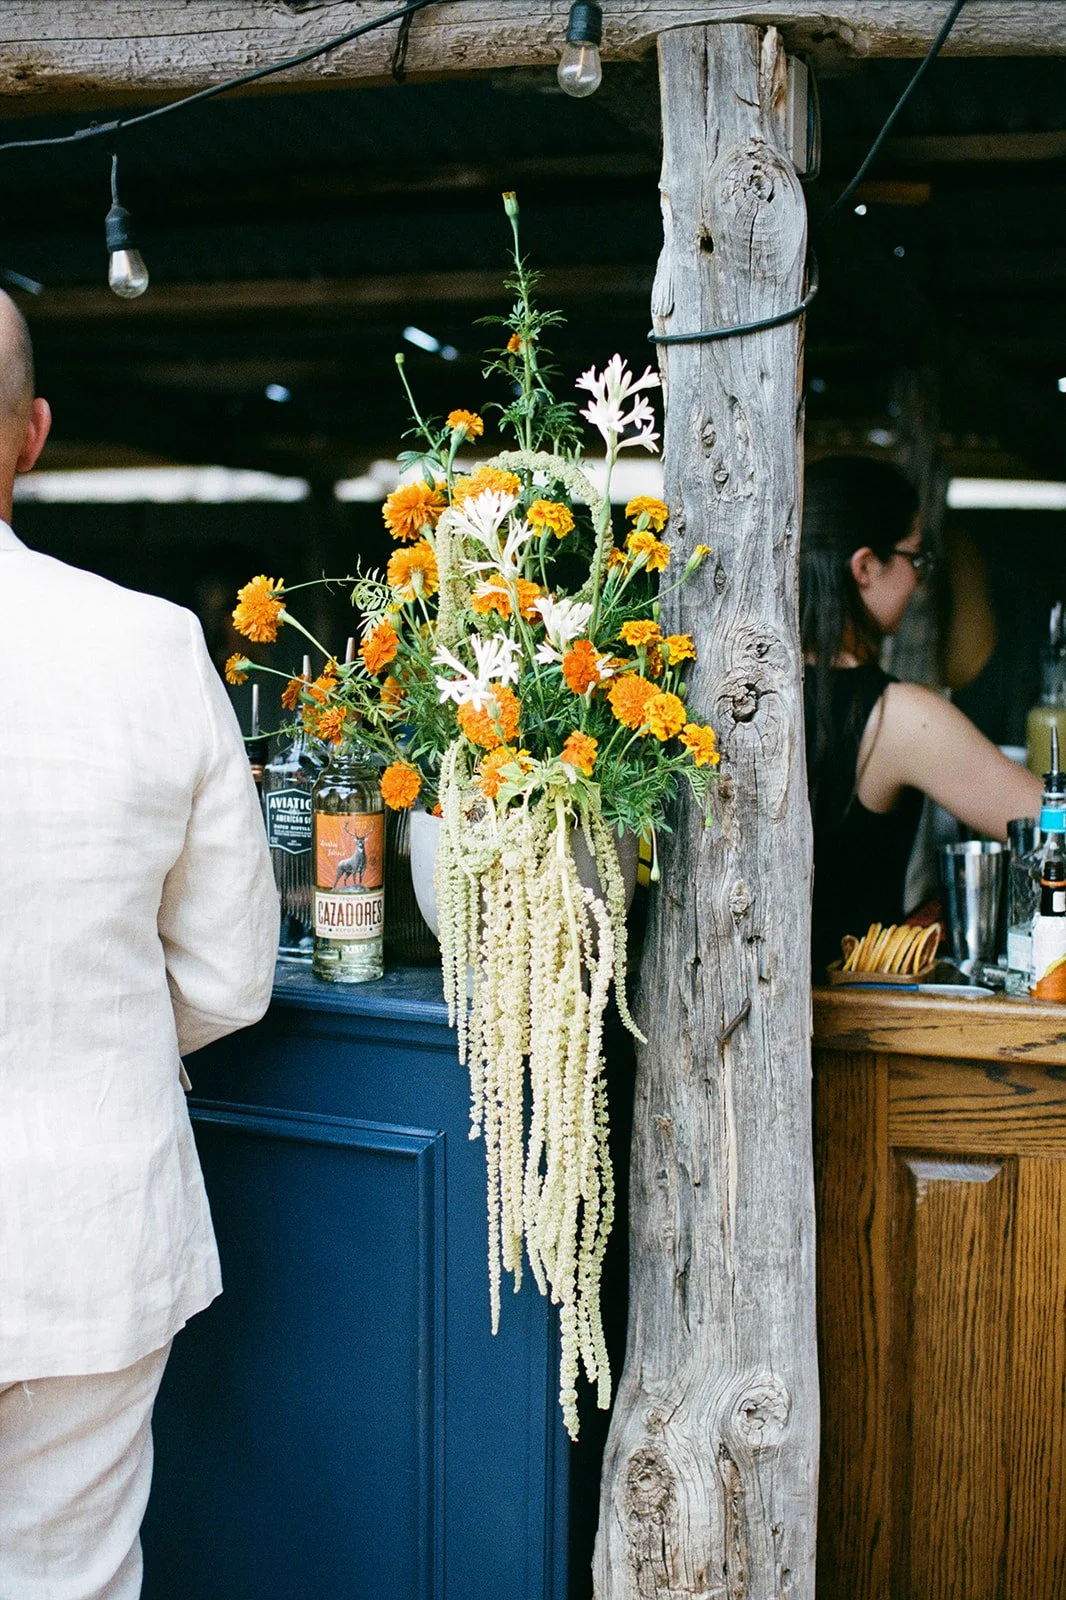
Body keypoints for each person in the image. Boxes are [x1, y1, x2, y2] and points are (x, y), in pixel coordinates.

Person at [0, 291, 279, 1596]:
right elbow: (230, 974)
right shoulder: (149, 645)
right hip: (86, 1224)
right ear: (34, 434)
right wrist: (97, 1032)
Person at [801, 454, 1041, 974]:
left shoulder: (729, 693)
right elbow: (1054, 827)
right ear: (865, 567)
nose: (917, 582)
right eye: (916, 560)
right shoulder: (898, 719)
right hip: (858, 1031)